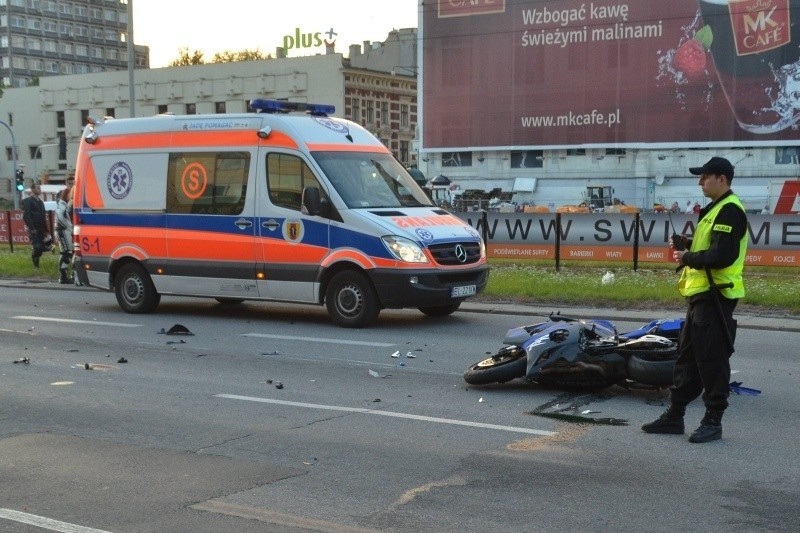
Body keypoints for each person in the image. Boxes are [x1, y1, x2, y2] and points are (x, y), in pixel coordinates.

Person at [642, 157, 748, 443]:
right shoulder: (714, 210)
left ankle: (713, 421)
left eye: (705, 176)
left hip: (716, 296)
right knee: (687, 358)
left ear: (722, 179)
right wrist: (688, 243)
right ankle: (675, 416)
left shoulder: (730, 211)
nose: (700, 181)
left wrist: (687, 257)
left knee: (711, 360)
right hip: (701, 296)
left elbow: (723, 255)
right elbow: (712, 246)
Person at [21, 182, 49, 268]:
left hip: (41, 228)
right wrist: (32, 227)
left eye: (40, 188)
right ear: (33, 189)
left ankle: (37, 263)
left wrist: (46, 230)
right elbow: (26, 215)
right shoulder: (28, 201)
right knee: (37, 247)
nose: (39, 190)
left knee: (42, 247)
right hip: (34, 228)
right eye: (38, 188)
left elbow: (43, 216)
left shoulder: (40, 202)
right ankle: (35, 264)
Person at [55, 180, 74, 283]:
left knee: (67, 253)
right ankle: (63, 277)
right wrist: (69, 226)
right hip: (63, 230)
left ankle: (66, 275)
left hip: (65, 230)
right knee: (66, 253)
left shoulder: (66, 204)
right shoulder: (62, 204)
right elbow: (60, 216)